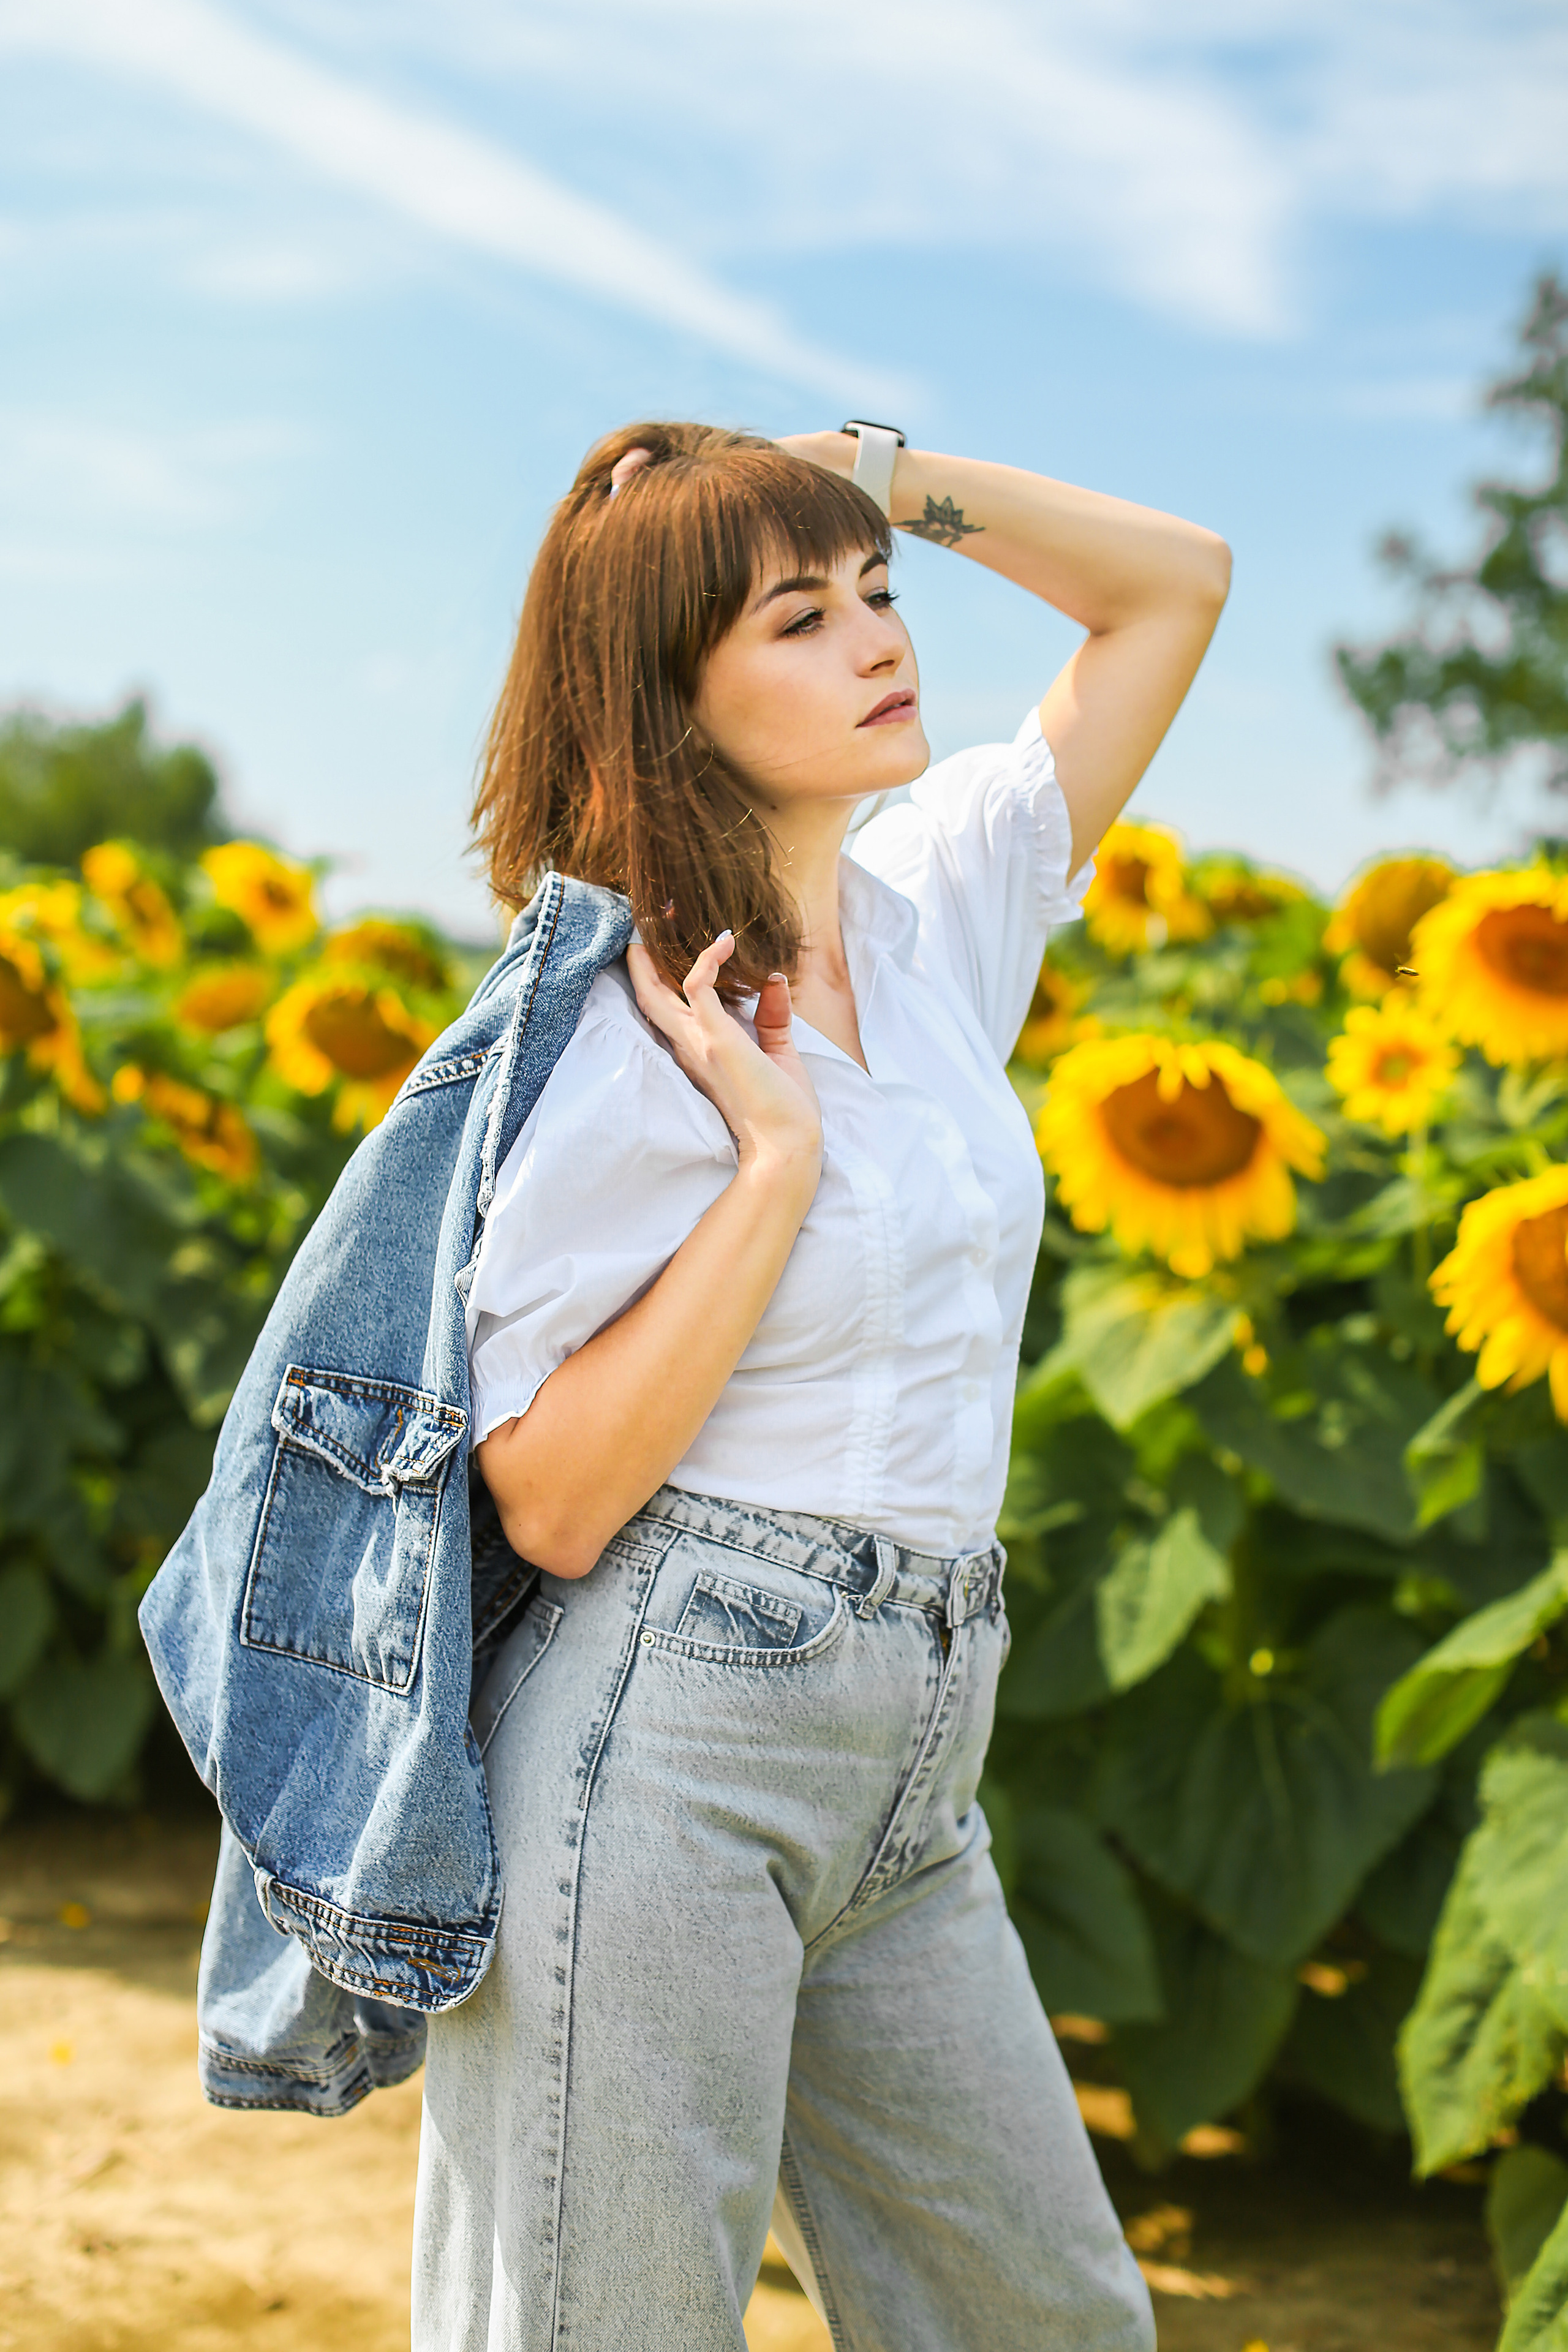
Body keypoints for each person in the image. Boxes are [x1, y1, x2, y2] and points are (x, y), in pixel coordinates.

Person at [411, 419, 1229, 2351]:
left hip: (921, 1762)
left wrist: (867, 472)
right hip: (674, 1742)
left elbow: (1172, 583)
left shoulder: (939, 905)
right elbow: (549, 1498)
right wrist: (770, 1165)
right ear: (669, 696)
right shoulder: (615, 1032)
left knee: (1046, 2320)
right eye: (801, 614)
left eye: (878, 594)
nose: (880, 636)